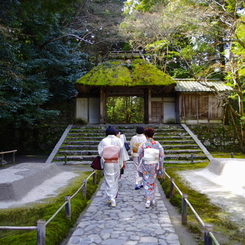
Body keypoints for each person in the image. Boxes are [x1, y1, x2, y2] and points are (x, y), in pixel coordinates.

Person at [138, 127, 164, 208]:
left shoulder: (143, 145)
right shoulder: (157, 144)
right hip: (155, 165)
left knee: (146, 181)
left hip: (146, 165)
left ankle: (148, 199)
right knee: (153, 181)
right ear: (153, 135)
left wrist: (142, 163)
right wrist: (160, 166)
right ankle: (152, 198)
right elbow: (161, 156)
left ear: (145, 135)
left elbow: (140, 156)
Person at [98, 126, 123, 207]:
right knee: (115, 179)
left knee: (109, 179)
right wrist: (121, 162)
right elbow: (121, 152)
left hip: (107, 162)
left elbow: (101, 152)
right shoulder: (118, 140)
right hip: (116, 161)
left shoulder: (103, 141)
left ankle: (110, 197)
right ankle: (113, 196)